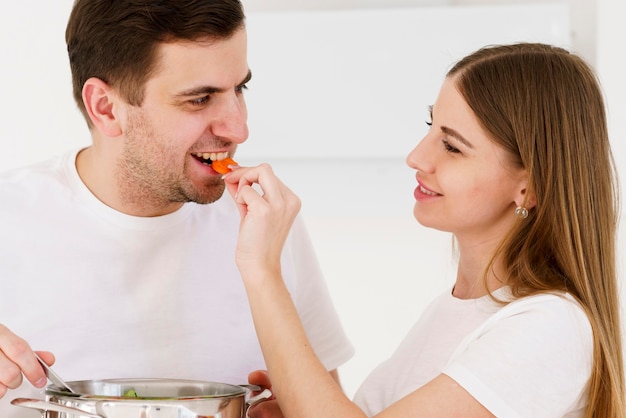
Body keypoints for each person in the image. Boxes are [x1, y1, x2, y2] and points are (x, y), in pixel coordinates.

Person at [224, 42, 625, 417]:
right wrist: (300, 403)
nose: (416, 157)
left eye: (452, 146)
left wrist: (261, 270)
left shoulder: (550, 327)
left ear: (529, 187)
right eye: (430, 125)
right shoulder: (455, 312)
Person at [0, 0, 354, 416]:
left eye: (240, 88)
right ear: (105, 108)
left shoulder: (265, 223)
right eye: (200, 99)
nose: (238, 128)